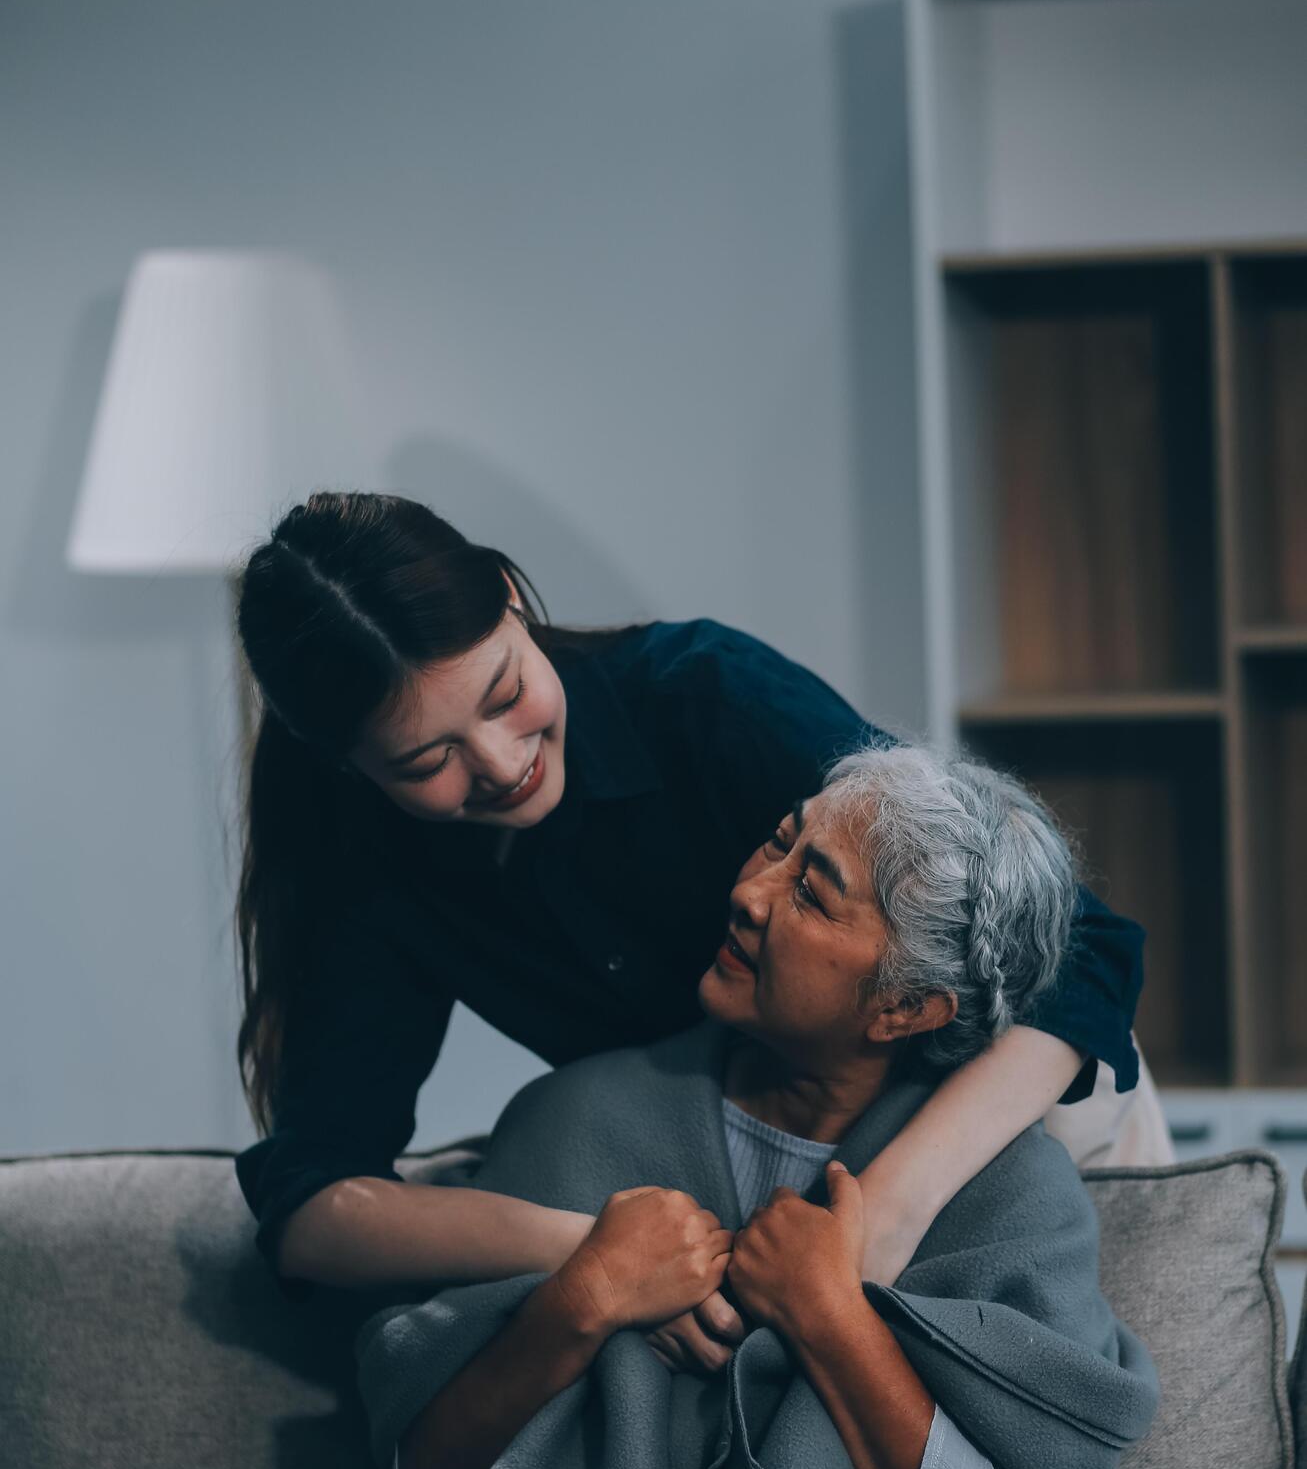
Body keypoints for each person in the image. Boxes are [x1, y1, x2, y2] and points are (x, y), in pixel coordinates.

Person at [270, 740, 1158, 1469]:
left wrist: (833, 1318)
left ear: (903, 1006)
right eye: (780, 840)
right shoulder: (579, 1121)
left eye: (811, 891)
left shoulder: (1003, 1198)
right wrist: (577, 1298)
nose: (748, 890)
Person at [233, 490, 1157, 1387]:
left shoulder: (700, 694)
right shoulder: (366, 874)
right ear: (348, 766)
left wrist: (890, 1208)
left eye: (506, 693)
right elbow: (313, 1203)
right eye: (428, 760)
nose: (503, 763)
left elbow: (1084, 947)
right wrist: (595, 1251)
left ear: (513, 599)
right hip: (762, 1181)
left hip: (1015, 1088)